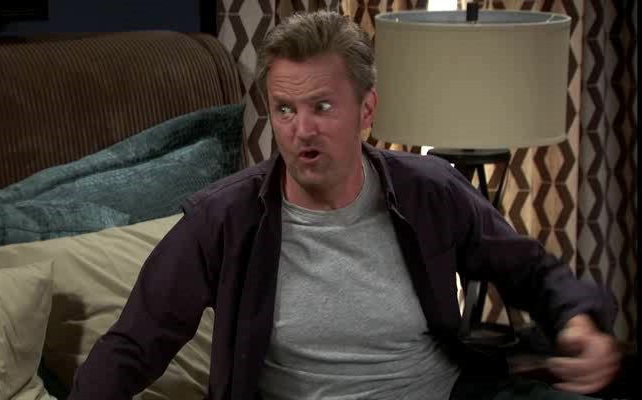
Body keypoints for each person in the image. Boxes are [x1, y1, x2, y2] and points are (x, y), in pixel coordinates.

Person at [69, 10, 620, 400]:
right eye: (285, 109)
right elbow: (134, 344)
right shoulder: (224, 219)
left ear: (366, 110)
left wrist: (579, 323)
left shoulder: (429, 189)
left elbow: (531, 271)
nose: (301, 130)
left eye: (323, 106)